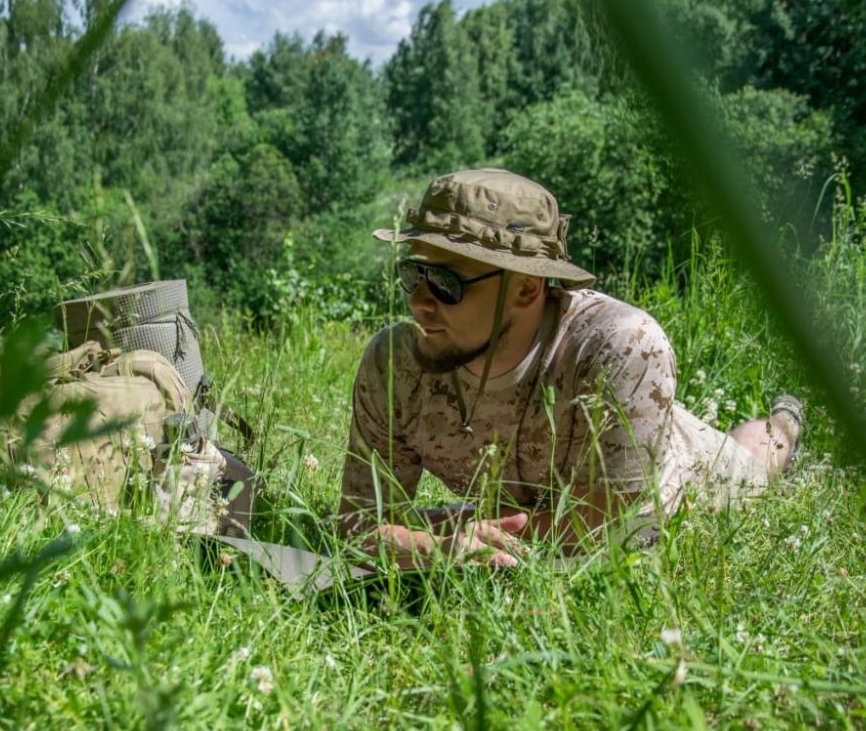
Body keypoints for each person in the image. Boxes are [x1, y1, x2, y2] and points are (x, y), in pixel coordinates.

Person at [337, 168, 803, 569]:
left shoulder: (620, 345)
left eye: (444, 282)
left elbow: (616, 527)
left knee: (761, 458)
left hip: (693, 482)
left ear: (526, 288)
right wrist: (432, 547)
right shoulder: (395, 364)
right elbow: (359, 523)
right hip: (515, 511)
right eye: (413, 275)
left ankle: (787, 419)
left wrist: (443, 537)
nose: (418, 302)